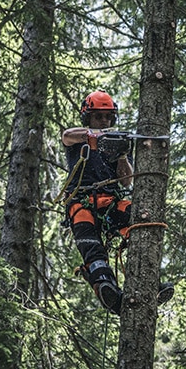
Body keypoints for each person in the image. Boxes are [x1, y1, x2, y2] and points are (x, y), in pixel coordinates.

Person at [61, 90, 172, 314]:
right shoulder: (78, 139)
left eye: (108, 117)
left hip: (111, 201)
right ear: (88, 117)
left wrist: (121, 154)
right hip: (81, 202)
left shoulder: (117, 143)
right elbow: (67, 135)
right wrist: (95, 135)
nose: (104, 121)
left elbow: (127, 181)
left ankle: (149, 283)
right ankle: (106, 288)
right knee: (91, 247)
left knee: (141, 222)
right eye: (98, 116)